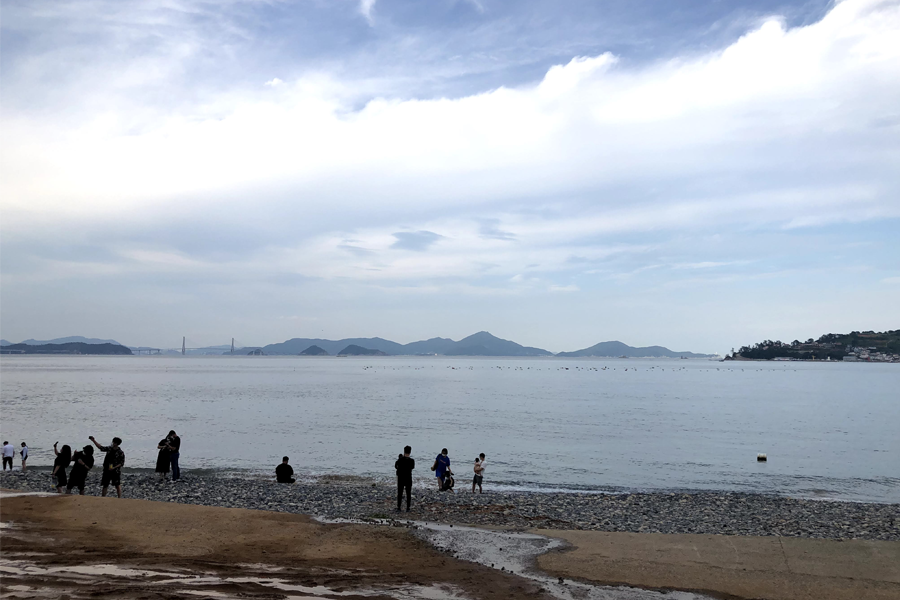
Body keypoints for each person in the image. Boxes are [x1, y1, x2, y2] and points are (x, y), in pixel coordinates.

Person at [395, 445, 415, 512]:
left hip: (401, 478)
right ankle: (408, 508)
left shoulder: (400, 460)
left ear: (404, 451)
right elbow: (412, 467)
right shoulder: (412, 461)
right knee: (408, 493)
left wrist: (400, 458)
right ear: (410, 452)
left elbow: (396, 466)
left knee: (400, 493)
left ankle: (399, 507)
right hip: (408, 478)